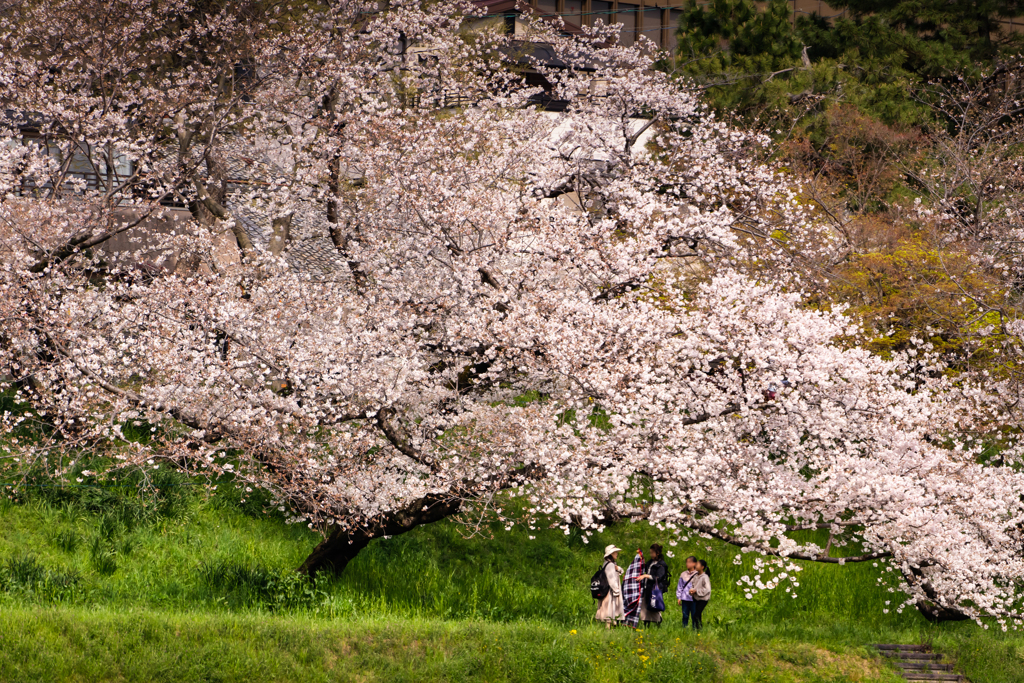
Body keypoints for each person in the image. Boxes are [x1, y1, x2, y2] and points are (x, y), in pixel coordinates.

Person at [637, 543, 670, 627]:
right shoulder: (650, 562)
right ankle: (646, 624)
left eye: (652, 553)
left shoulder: (661, 564)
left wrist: (645, 576)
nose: (651, 554)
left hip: (655, 589)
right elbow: (643, 567)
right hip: (647, 587)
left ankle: (658, 621)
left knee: (654, 606)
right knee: (645, 607)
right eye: (650, 553)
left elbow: (658, 577)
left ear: (657, 553)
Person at [594, 545, 624, 628]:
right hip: (610, 591)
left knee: (609, 609)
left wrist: (618, 568)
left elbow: (620, 570)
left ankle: (612, 626)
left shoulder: (608, 564)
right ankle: (608, 629)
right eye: (615, 552)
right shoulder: (610, 565)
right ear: (610, 554)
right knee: (610, 609)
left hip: (607, 590)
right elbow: (611, 579)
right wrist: (616, 590)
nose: (617, 554)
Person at [676, 555, 699, 628]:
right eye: (686, 562)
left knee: (694, 616)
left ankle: (695, 631)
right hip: (685, 599)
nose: (687, 564)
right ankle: (684, 630)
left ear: (694, 564)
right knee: (685, 615)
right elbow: (680, 586)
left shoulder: (698, 574)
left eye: (689, 562)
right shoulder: (683, 574)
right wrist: (679, 597)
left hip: (694, 599)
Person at [690, 559, 711, 630]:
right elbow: (693, 585)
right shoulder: (695, 576)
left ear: (702, 567)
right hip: (696, 598)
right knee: (696, 614)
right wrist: (691, 590)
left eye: (698, 564)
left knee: (697, 614)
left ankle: (699, 629)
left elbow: (707, 589)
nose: (695, 565)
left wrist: (696, 591)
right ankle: (696, 629)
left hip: (703, 599)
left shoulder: (705, 577)